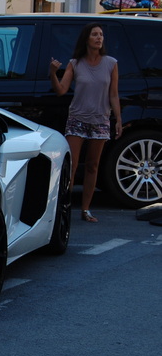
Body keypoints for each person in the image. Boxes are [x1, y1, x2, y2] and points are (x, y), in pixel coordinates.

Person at [49, 23, 122, 223]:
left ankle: (86, 209)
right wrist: (53, 73)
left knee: (92, 165)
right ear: (86, 39)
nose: (99, 38)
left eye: (101, 35)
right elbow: (61, 90)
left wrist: (118, 120)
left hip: (100, 120)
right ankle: (65, 206)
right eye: (95, 35)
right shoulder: (75, 63)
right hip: (77, 119)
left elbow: (114, 94)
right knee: (71, 165)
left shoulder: (111, 63)